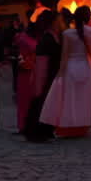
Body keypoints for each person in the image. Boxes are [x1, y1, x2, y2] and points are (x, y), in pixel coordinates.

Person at [41, 6, 91, 137]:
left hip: (71, 67)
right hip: (85, 66)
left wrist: (60, 73)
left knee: (69, 100)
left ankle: (68, 127)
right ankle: (82, 127)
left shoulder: (67, 34)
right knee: (84, 100)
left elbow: (64, 55)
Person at [24, 10, 61, 143]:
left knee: (46, 102)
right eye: (58, 20)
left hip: (51, 72)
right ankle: (37, 131)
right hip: (46, 73)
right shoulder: (47, 39)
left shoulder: (51, 37)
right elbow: (42, 62)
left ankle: (45, 130)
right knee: (41, 101)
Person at [14, 19, 39, 133]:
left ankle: (24, 124)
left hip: (27, 70)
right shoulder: (27, 40)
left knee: (24, 99)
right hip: (28, 69)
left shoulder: (21, 38)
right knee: (26, 99)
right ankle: (25, 124)